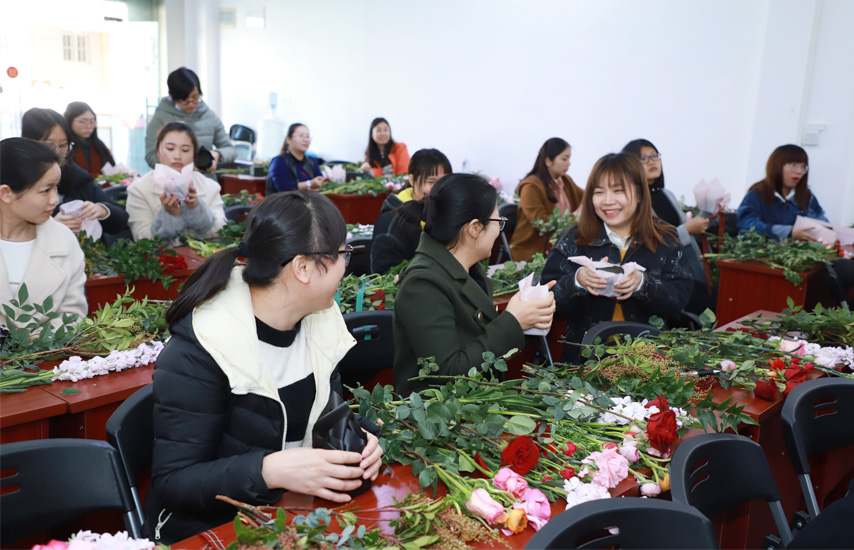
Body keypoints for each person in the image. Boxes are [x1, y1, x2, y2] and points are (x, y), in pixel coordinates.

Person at [147, 191, 383, 543]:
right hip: (216, 530)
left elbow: (323, 415)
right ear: (303, 268)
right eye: (342, 254)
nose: (346, 266)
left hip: (290, 515)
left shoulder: (318, 323)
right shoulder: (201, 350)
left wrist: (365, 438)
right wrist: (268, 470)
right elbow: (173, 484)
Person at [393, 173, 556, 396]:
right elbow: (448, 373)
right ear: (475, 228)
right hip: (439, 411)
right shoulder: (422, 283)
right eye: (498, 222)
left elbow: (481, 342)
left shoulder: (468, 270)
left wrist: (529, 319)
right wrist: (513, 321)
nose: (499, 230)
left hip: (476, 402)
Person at [541, 152, 692, 363]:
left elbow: (679, 298)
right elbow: (546, 295)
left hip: (648, 358)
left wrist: (644, 284)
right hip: (586, 359)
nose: (608, 201)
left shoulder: (665, 238)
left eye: (618, 191)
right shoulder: (574, 238)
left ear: (639, 194)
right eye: (599, 192)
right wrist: (577, 281)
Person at [737, 144, 853, 297]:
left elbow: (821, 221)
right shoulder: (757, 194)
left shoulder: (805, 195)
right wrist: (789, 232)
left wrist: (834, 235)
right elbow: (747, 225)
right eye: (793, 165)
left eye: (803, 167)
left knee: (846, 271)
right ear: (777, 165)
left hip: (806, 258)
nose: (799, 171)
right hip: (770, 260)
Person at [0, 138, 87, 330]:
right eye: (45, 190)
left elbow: (72, 314)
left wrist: (41, 338)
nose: (54, 199)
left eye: (56, 187)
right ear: (6, 193)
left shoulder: (64, 240)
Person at [622, 139, 714, 315]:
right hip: (659, 276)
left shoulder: (666, 194)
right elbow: (649, 238)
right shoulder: (635, 199)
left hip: (685, 269)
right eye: (644, 158)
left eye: (654, 156)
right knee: (713, 305)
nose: (652, 162)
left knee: (719, 298)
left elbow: (683, 228)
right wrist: (688, 229)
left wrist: (706, 215)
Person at [21, 108, 130, 244]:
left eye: (63, 145)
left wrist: (102, 210)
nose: (57, 152)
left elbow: (121, 218)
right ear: (29, 144)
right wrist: (49, 226)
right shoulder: (16, 182)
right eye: (49, 145)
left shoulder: (76, 176)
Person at [127, 122, 226, 246]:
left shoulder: (210, 187)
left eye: (185, 150)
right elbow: (142, 240)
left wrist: (196, 210)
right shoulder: (139, 189)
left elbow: (221, 233)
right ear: (157, 151)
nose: (177, 156)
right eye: (170, 149)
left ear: (194, 154)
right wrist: (170, 216)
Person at [370, 148, 452, 274]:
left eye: (444, 181)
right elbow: (382, 275)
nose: (439, 189)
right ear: (412, 180)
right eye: (431, 182)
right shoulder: (391, 222)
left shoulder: (448, 213)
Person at [144, 67, 236, 175]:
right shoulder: (161, 118)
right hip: (171, 181)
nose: (191, 103)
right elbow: (151, 156)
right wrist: (180, 165)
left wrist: (218, 155)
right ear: (172, 96)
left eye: (195, 97)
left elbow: (231, 150)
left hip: (205, 181)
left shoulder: (209, 116)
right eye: (185, 100)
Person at [509, 138, 584, 262]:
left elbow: (587, 196)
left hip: (562, 249)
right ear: (548, 160)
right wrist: (574, 215)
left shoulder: (566, 181)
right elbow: (541, 222)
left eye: (569, 158)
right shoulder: (530, 186)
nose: (569, 163)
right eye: (564, 159)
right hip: (534, 255)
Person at [265, 123, 327, 194]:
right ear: (288, 139)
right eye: (301, 136)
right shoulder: (279, 161)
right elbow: (283, 188)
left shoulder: (312, 161)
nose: (306, 140)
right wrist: (309, 184)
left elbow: (320, 182)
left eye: (307, 136)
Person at [64, 101, 116, 178]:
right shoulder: (65, 146)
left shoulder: (99, 145)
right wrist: (96, 176)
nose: (88, 126)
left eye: (92, 121)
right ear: (69, 122)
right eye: (83, 122)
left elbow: (113, 170)